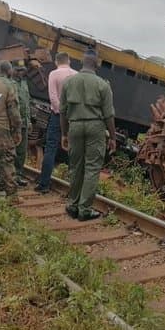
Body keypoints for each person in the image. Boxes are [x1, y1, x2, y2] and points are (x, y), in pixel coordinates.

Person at [60, 50, 116, 221]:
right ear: (97, 64)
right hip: (95, 127)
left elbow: (63, 112)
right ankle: (84, 209)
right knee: (92, 167)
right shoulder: (103, 85)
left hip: (75, 126)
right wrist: (112, 137)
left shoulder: (68, 82)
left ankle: (72, 205)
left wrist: (64, 133)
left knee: (76, 166)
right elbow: (109, 115)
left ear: (82, 63)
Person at [35, 52, 76, 193]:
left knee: (51, 148)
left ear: (57, 62)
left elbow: (53, 97)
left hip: (57, 116)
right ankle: (72, 188)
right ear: (69, 60)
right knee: (73, 150)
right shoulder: (77, 75)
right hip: (74, 117)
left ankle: (44, 184)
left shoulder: (54, 74)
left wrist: (61, 113)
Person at [0, 59, 23, 198]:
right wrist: (17, 130)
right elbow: (14, 113)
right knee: (7, 162)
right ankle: (12, 196)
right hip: (2, 131)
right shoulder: (6, 85)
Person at [12, 62, 31, 180]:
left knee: (22, 151)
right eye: (18, 70)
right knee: (10, 151)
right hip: (14, 123)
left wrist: (28, 121)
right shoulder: (10, 83)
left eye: (22, 70)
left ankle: (18, 175)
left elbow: (27, 103)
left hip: (24, 122)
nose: (21, 72)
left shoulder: (24, 83)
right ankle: (9, 177)